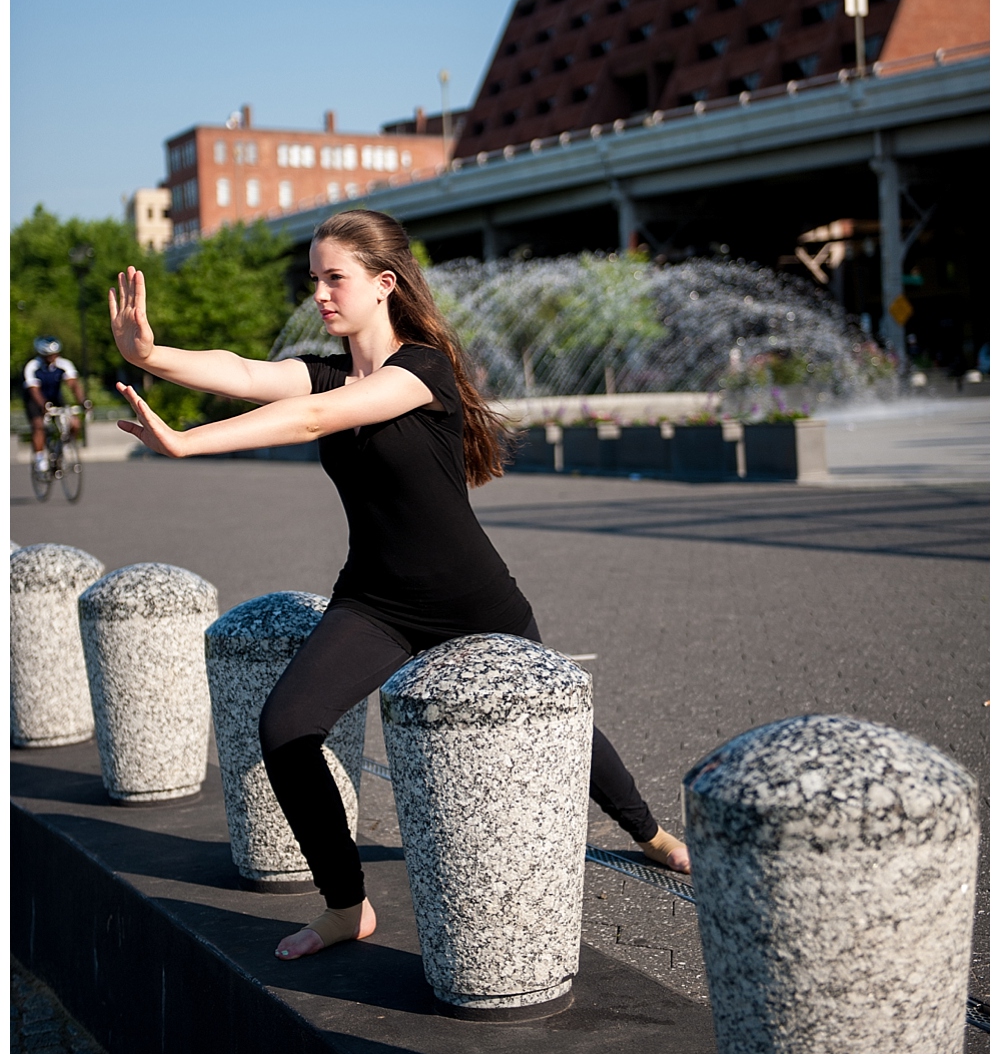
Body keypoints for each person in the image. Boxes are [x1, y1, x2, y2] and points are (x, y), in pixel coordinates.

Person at [109, 209, 691, 962]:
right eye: (313, 279)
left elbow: (312, 417)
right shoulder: (326, 368)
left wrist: (188, 442)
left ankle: (648, 831)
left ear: (383, 285)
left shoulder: (422, 370)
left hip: (472, 596)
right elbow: (248, 373)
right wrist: (152, 354)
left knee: (560, 722)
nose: (319, 293)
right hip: (376, 601)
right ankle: (347, 905)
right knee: (285, 729)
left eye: (334, 278)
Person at [23, 337, 88, 474]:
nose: (52, 358)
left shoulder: (64, 364)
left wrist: (83, 401)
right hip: (35, 400)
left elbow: (73, 385)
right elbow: (34, 390)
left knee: (75, 423)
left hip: (56, 397)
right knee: (38, 426)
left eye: (55, 354)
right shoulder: (32, 366)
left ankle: (63, 448)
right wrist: (43, 405)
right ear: (42, 355)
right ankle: (40, 459)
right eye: (48, 355)